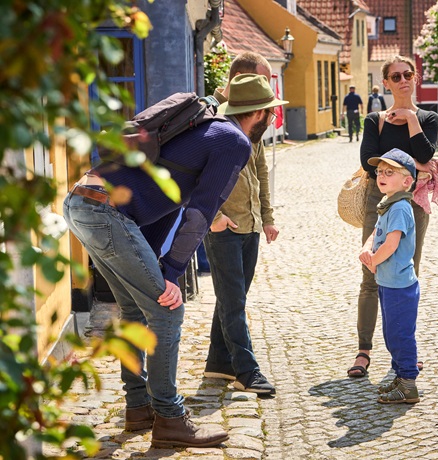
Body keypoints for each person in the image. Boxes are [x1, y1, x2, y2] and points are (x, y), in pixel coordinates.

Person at [62, 74, 286, 448]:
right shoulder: (233, 141)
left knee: (135, 309)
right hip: (105, 213)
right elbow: (201, 210)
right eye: (271, 114)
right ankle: (169, 418)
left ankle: (138, 407)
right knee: (167, 310)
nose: (272, 121)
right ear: (260, 114)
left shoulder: (204, 127)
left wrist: (157, 264)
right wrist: (170, 273)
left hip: (82, 202)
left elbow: (167, 199)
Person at [349, 55, 438, 378]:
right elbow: (368, 161)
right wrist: (415, 166)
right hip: (379, 201)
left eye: (408, 75)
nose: (403, 80)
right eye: (396, 76)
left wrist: (410, 120)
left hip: (414, 203)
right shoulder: (374, 120)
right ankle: (364, 350)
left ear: (415, 78)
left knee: (407, 275)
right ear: (386, 82)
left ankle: (406, 351)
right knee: (370, 272)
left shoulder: (428, 118)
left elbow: (428, 152)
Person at [202, 52, 279, 395]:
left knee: (233, 297)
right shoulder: (214, 122)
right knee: (233, 301)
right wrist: (214, 219)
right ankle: (247, 371)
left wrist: (267, 218)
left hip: (249, 224)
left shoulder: (254, 123)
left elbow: (259, 170)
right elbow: (195, 178)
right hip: (224, 228)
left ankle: (218, 364)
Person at [360, 149, 420, 404]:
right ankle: (399, 376)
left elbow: (391, 244)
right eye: (380, 172)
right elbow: (376, 233)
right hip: (387, 281)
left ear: (407, 181)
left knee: (400, 334)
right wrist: (365, 248)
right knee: (391, 333)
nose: (382, 176)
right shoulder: (388, 204)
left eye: (390, 172)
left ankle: (408, 384)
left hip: (399, 285)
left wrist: (374, 260)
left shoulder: (400, 208)